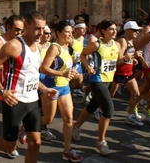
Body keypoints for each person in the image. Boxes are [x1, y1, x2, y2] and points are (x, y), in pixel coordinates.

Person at [0, 10, 58, 163]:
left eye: (43, 29)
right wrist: (2, 91)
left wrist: (45, 89)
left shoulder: (39, 47)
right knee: (9, 146)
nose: (41, 33)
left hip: (32, 101)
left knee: (35, 143)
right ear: (26, 26)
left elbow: (31, 75)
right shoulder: (14, 45)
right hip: (14, 101)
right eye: (37, 28)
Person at [73, 20, 121, 156]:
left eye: (115, 29)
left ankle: (76, 127)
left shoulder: (116, 45)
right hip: (97, 80)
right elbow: (82, 54)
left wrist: (129, 58)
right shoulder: (97, 44)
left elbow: (118, 61)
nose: (114, 31)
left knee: (92, 107)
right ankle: (101, 141)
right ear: (103, 31)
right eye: (111, 29)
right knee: (108, 111)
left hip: (108, 80)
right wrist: (88, 67)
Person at [39, 21, 83, 162]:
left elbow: (69, 66)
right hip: (52, 86)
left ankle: (67, 150)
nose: (71, 34)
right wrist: (63, 74)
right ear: (58, 33)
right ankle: (26, 126)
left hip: (64, 87)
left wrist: (73, 73)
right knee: (48, 119)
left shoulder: (68, 47)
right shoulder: (54, 48)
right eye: (68, 32)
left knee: (69, 118)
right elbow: (44, 69)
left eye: (71, 32)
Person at [110, 21, 143, 126]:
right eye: (135, 30)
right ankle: (99, 109)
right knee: (111, 94)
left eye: (138, 31)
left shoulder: (131, 40)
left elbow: (127, 57)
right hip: (119, 73)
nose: (137, 33)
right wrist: (133, 56)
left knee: (136, 94)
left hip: (128, 73)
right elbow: (119, 60)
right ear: (127, 30)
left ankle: (130, 116)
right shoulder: (122, 41)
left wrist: (133, 60)